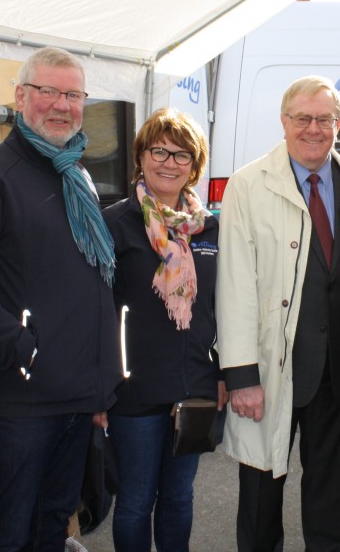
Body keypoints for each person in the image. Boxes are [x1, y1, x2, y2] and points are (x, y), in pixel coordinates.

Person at [0, 46, 120, 550]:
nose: (61, 104)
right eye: (48, 91)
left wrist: (100, 380)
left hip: (75, 395)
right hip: (19, 400)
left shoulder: (77, 175)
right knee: (7, 531)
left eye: (72, 94)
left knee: (51, 526)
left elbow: (92, 283)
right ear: (21, 96)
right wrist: (24, 348)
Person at [216, 75, 340, 551]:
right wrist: (241, 373)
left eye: (324, 119)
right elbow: (235, 285)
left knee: (327, 500)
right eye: (302, 118)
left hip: (336, 371)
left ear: (339, 123)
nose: (313, 129)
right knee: (261, 499)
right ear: (284, 122)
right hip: (270, 369)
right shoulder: (248, 185)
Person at [102, 107, 226, 551]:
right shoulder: (114, 223)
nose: (169, 163)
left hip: (195, 385)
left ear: (194, 166)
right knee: (135, 501)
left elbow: (222, 308)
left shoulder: (209, 228)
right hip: (132, 389)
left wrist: (224, 376)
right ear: (141, 155)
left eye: (182, 156)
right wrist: (99, 388)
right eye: (160, 151)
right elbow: (97, 312)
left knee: (179, 497)